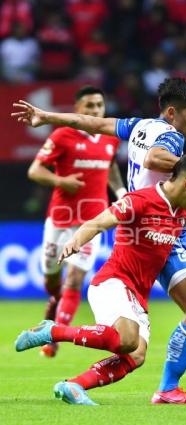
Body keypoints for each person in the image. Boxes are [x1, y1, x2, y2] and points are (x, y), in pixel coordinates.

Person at [12, 77, 186, 404]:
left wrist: (47, 116)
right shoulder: (171, 138)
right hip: (156, 228)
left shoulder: (137, 125)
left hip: (169, 219)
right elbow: (154, 160)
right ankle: (166, 388)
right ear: (171, 113)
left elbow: (92, 122)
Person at [15, 152, 186, 406]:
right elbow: (101, 221)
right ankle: (52, 331)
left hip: (137, 294)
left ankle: (74, 385)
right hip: (113, 281)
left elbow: (178, 222)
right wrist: (76, 241)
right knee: (127, 339)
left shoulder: (182, 209)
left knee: (136, 355)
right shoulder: (141, 200)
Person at [27, 85, 126, 357]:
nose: (96, 110)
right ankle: (53, 301)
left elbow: (111, 168)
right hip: (60, 218)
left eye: (99, 106)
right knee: (52, 276)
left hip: (91, 222)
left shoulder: (110, 139)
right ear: (78, 110)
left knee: (75, 279)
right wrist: (61, 181)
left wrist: (120, 193)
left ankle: (53, 337)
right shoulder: (62, 135)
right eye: (90, 106)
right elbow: (34, 170)